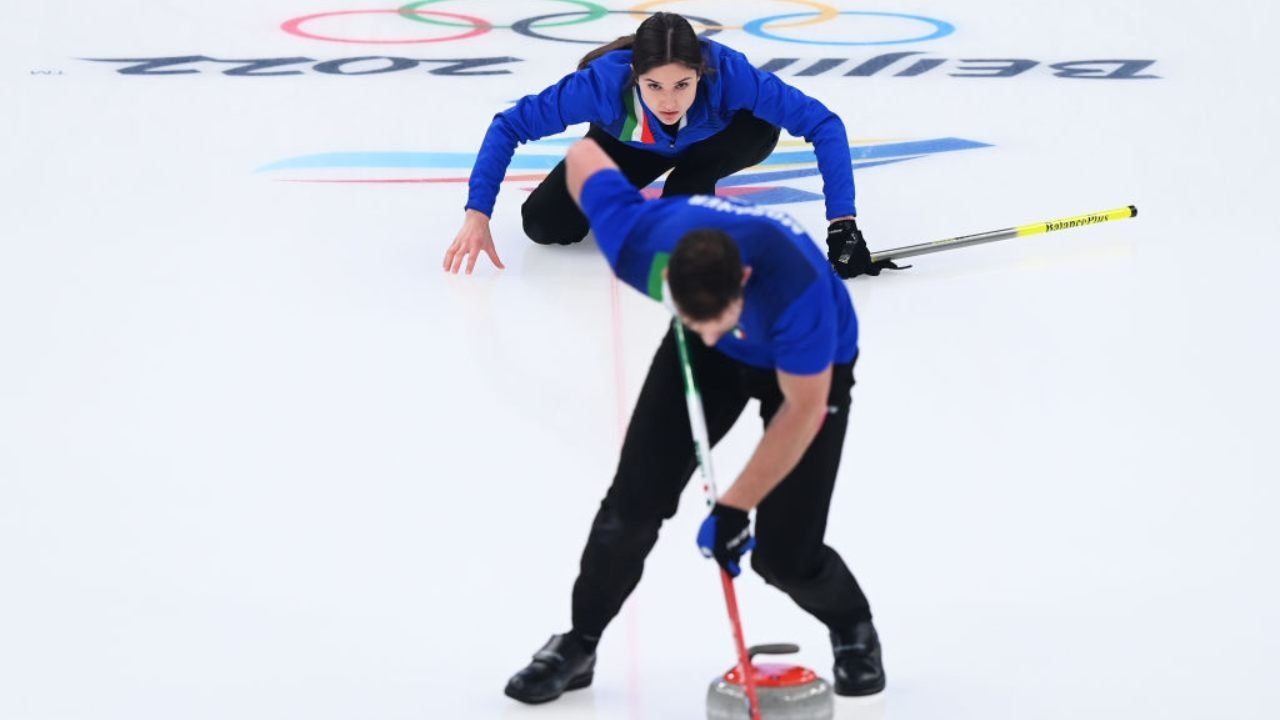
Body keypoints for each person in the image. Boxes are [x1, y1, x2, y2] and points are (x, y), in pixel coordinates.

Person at [502, 138, 885, 705]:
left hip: (808, 364)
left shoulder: (796, 290)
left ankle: (853, 629)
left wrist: (734, 505)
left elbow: (802, 409)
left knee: (784, 555)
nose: (707, 329)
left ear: (744, 278)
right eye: (690, 317)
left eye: (717, 318)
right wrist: (707, 329)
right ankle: (578, 643)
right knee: (629, 508)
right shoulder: (637, 238)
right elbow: (585, 155)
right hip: (712, 361)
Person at [442, 12, 895, 279]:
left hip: (727, 138)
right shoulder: (598, 86)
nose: (669, 101)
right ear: (634, 76)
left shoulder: (730, 74)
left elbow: (823, 123)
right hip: (633, 144)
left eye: (683, 84)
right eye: (654, 86)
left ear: (701, 73)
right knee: (544, 224)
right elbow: (508, 126)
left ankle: (690, 193)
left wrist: (843, 224)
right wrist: (477, 212)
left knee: (686, 202)